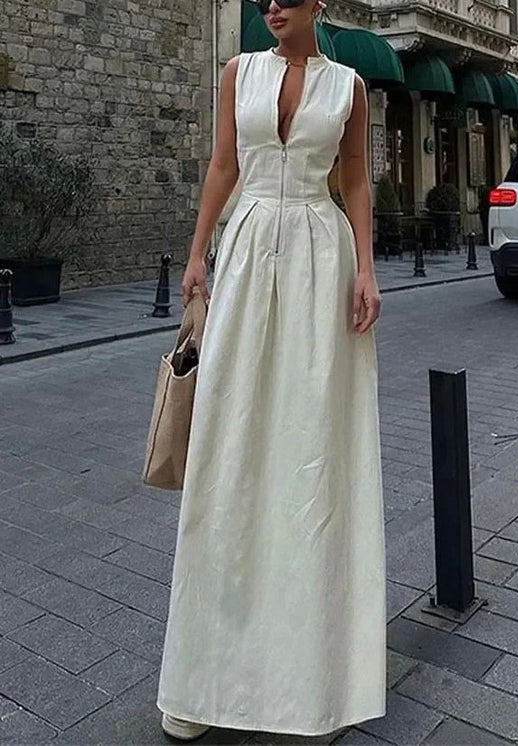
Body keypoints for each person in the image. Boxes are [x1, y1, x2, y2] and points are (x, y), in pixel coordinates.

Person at [156, 0, 386, 740]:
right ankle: (198, 684)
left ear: (319, 3)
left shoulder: (348, 85)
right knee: (227, 451)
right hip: (248, 249)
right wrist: (197, 254)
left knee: (313, 456)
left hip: (323, 260)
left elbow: (355, 179)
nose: (273, 7)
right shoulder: (237, 72)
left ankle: (311, 686)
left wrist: (367, 270)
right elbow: (224, 165)